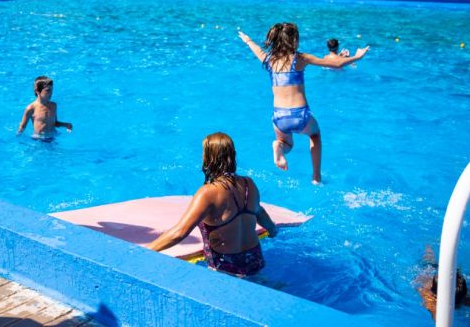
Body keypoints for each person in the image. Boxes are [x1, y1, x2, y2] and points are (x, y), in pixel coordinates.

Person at [238, 23, 369, 183]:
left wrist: (248, 40)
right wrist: (357, 56)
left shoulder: (270, 61)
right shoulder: (300, 58)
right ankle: (316, 177)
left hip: (279, 117)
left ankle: (278, 147)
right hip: (300, 114)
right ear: (294, 41)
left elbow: (258, 50)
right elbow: (336, 63)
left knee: (286, 144)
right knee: (315, 135)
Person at [146, 132, 277, 277]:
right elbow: (259, 211)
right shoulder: (248, 184)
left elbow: (180, 232)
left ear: (207, 158)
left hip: (227, 265)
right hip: (254, 257)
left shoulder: (208, 193)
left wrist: (144, 251)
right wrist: (272, 230)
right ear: (233, 154)